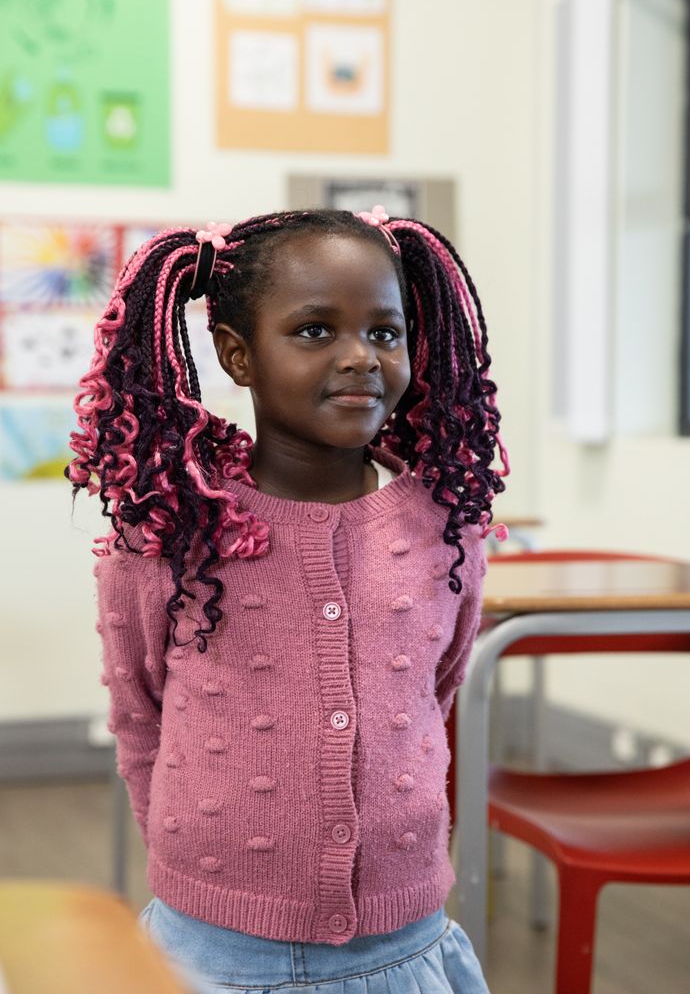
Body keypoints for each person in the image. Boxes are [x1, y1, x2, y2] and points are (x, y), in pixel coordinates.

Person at [66, 206, 509, 993]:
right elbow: (141, 720)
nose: (360, 358)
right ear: (238, 356)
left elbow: (434, 688)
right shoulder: (172, 536)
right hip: (214, 951)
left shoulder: (448, 528)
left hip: (405, 946)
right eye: (314, 331)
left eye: (384, 332)